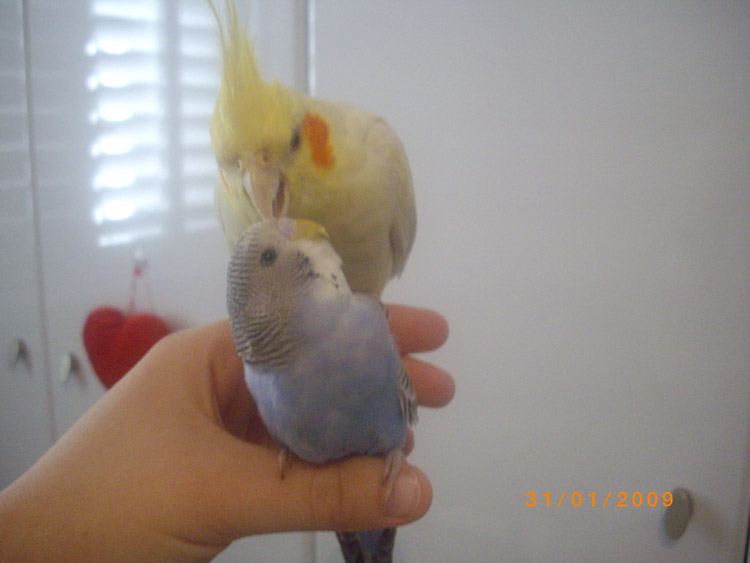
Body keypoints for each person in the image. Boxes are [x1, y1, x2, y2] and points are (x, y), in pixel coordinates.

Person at [0, 305, 453, 562]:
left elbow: (401, 412)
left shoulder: (373, 341)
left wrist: (392, 450)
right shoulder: (271, 371)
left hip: (381, 451)